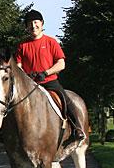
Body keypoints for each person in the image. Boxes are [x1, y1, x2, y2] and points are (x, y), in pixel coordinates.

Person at [15, 9, 85, 144]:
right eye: (29, 23)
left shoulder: (51, 42)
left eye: (36, 22)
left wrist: (45, 73)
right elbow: (18, 66)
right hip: (30, 85)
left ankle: (77, 128)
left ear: (41, 23)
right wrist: (25, 75)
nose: (33, 26)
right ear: (26, 27)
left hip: (49, 82)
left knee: (65, 99)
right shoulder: (22, 46)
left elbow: (61, 63)